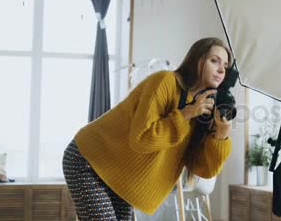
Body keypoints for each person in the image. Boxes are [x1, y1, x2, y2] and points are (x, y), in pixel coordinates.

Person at [62, 37, 234, 220]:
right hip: (88, 158)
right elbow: (141, 139)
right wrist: (186, 114)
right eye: (214, 60)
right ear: (196, 60)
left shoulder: (206, 110)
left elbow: (203, 170)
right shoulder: (165, 82)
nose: (221, 69)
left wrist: (220, 136)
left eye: (225, 65)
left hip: (119, 174)